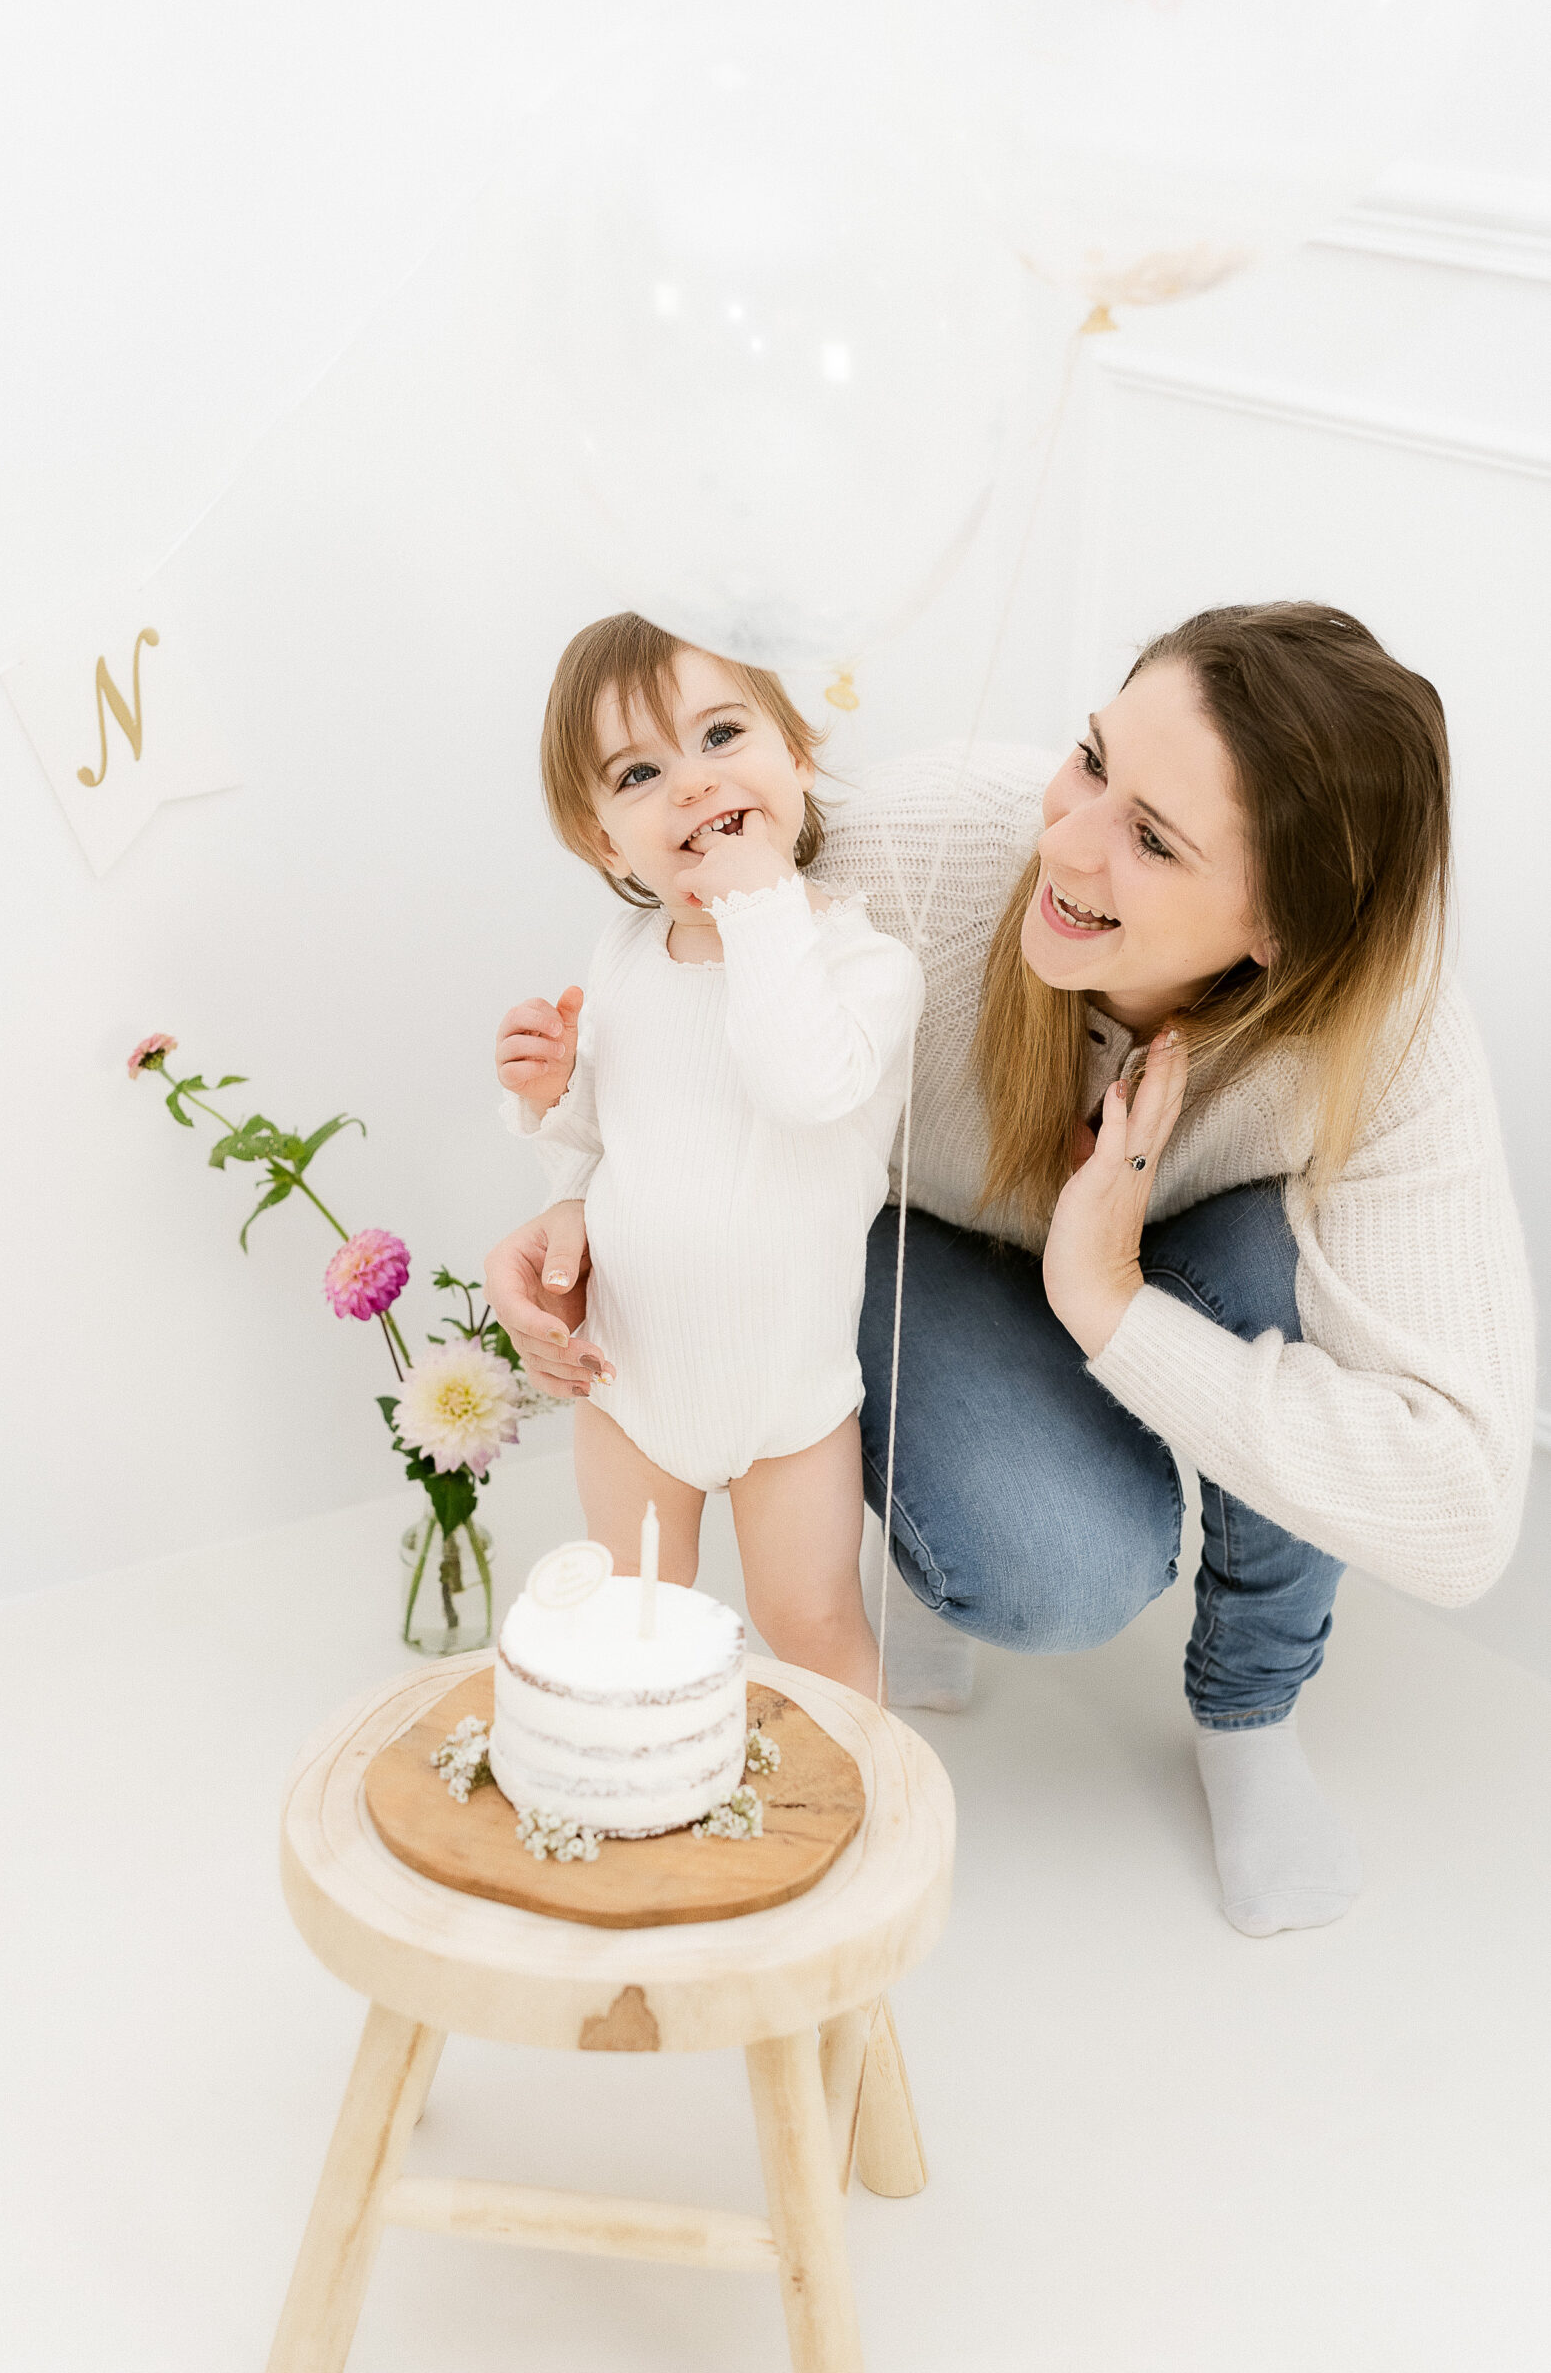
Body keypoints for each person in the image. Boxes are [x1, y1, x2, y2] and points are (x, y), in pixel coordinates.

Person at [487, 601, 1535, 1937]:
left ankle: (1248, 1713)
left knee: (1279, 1258)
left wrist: (1102, 1297)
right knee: (1045, 1573)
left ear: (1280, 927)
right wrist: (572, 1206)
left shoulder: (1381, 1042)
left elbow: (1457, 1517)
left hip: (1150, 1279)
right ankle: (938, 1502)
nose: (1068, 839)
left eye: (1150, 839)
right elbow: (677, 1053)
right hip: (906, 1248)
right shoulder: (915, 849)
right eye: (1091, 759)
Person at [493, 611, 923, 1697]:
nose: (691, 784)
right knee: (637, 1622)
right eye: (640, 772)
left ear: (798, 755)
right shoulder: (627, 955)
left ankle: (857, 1813)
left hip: (790, 1398)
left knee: (810, 1619)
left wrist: (763, 909)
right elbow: (595, 1152)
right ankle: (649, 1798)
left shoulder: (866, 965)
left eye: (722, 736)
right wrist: (549, 1098)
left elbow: (801, 1080)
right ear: (606, 843)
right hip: (636, 1380)